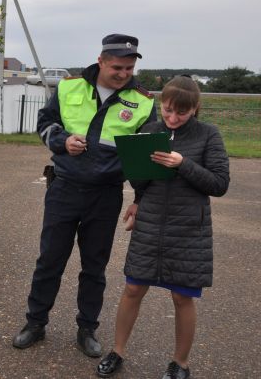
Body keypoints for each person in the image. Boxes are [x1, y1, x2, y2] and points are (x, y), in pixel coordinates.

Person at [13, 34, 157, 358]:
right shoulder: (68, 87)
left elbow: (146, 155)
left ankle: (87, 329)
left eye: (130, 67)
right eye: (118, 67)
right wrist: (62, 141)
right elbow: (45, 123)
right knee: (49, 261)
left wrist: (140, 199)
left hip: (105, 196)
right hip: (64, 188)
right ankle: (35, 323)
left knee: (95, 267)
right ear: (101, 60)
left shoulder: (144, 101)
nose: (124, 74)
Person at [96, 76, 230, 379]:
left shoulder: (209, 135)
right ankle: (117, 351)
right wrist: (138, 194)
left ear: (195, 108)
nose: (172, 118)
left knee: (182, 297)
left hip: (187, 230)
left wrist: (182, 163)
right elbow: (141, 178)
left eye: (180, 113)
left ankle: (180, 363)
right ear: (161, 104)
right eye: (167, 110)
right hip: (150, 223)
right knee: (132, 288)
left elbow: (220, 184)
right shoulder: (150, 130)